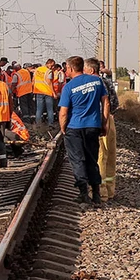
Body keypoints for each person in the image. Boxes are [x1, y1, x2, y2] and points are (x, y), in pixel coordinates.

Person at [58, 56, 109, 205]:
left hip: (75, 128)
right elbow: (105, 103)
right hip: (93, 126)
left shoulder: (68, 87)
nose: (66, 71)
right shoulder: (97, 81)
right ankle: (97, 194)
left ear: (72, 68)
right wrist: (104, 123)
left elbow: (63, 112)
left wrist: (63, 128)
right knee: (92, 159)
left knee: (78, 160)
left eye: (66, 68)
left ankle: (83, 194)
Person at [86, 58, 118, 200]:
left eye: (85, 69)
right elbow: (115, 102)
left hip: (98, 120)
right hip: (109, 119)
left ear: (91, 70)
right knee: (110, 155)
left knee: (99, 155)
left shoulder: (90, 84)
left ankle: (99, 191)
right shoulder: (106, 82)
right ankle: (110, 191)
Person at [33, 59, 57, 131]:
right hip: (47, 92)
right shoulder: (48, 71)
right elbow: (50, 83)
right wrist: (54, 93)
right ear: (48, 63)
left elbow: (33, 80)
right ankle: (50, 124)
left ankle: (38, 124)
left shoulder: (37, 70)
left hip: (39, 91)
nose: (52, 67)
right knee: (50, 109)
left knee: (39, 109)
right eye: (52, 65)